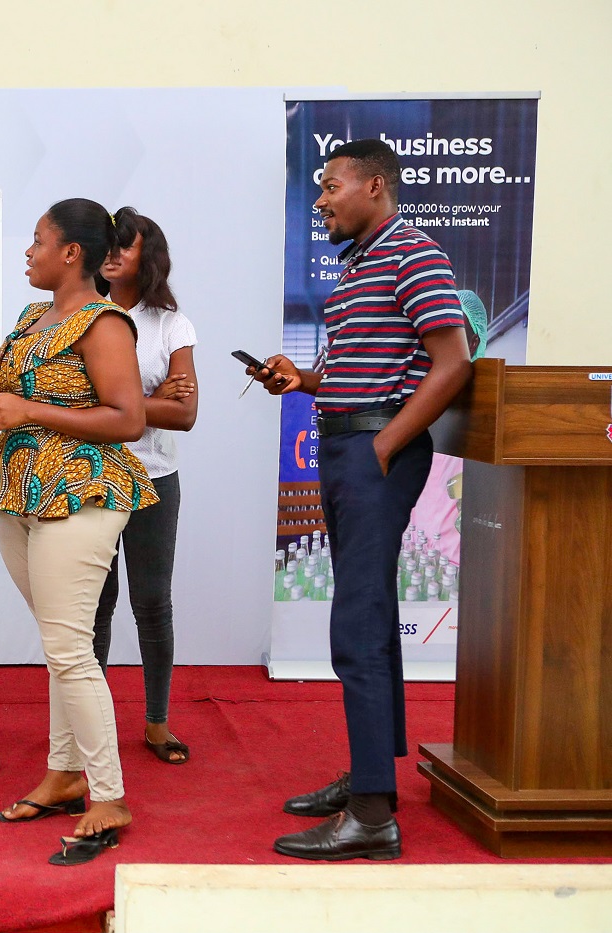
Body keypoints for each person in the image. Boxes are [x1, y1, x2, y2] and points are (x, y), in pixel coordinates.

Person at [255, 139, 472, 861]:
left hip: (373, 451)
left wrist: (386, 444)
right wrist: (305, 379)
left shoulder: (413, 252)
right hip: (348, 443)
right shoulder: (358, 265)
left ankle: (373, 816)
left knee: (357, 624)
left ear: (374, 186)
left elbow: (452, 362)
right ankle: (372, 776)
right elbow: (364, 368)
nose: (321, 199)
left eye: (331, 185)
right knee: (370, 621)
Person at [0, 198, 158, 866]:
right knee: (60, 640)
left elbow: (128, 418)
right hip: (22, 489)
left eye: (38, 239)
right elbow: (29, 398)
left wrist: (28, 408)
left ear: (71, 252)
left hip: (82, 491)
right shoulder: (32, 317)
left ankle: (107, 792)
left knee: (69, 646)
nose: (29, 250)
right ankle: (63, 773)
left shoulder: (103, 323)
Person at [89, 208, 198, 765]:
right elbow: (70, 402)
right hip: (92, 479)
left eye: (123, 247)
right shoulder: (82, 316)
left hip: (155, 480)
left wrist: (120, 405)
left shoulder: (170, 325)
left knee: (152, 603)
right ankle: (94, 729)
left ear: (145, 257)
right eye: (106, 246)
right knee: (96, 607)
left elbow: (186, 415)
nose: (110, 255)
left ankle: (157, 724)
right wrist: (153, 399)